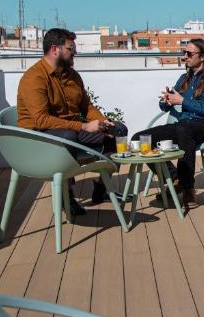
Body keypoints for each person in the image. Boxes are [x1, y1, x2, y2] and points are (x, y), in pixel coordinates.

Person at [17, 28, 127, 212]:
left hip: (72, 131)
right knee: (67, 137)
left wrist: (103, 123)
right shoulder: (34, 78)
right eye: (70, 48)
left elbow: (86, 107)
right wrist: (84, 126)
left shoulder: (72, 76)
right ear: (55, 50)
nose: (75, 52)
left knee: (118, 132)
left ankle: (102, 188)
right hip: (39, 138)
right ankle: (66, 195)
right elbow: (40, 120)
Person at [131, 39, 204, 207]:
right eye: (184, 53)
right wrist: (166, 100)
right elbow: (165, 106)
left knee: (184, 130)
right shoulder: (185, 78)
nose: (185, 56)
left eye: (189, 54)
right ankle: (176, 178)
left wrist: (183, 101)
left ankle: (188, 188)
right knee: (140, 138)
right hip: (185, 125)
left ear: (203, 56)